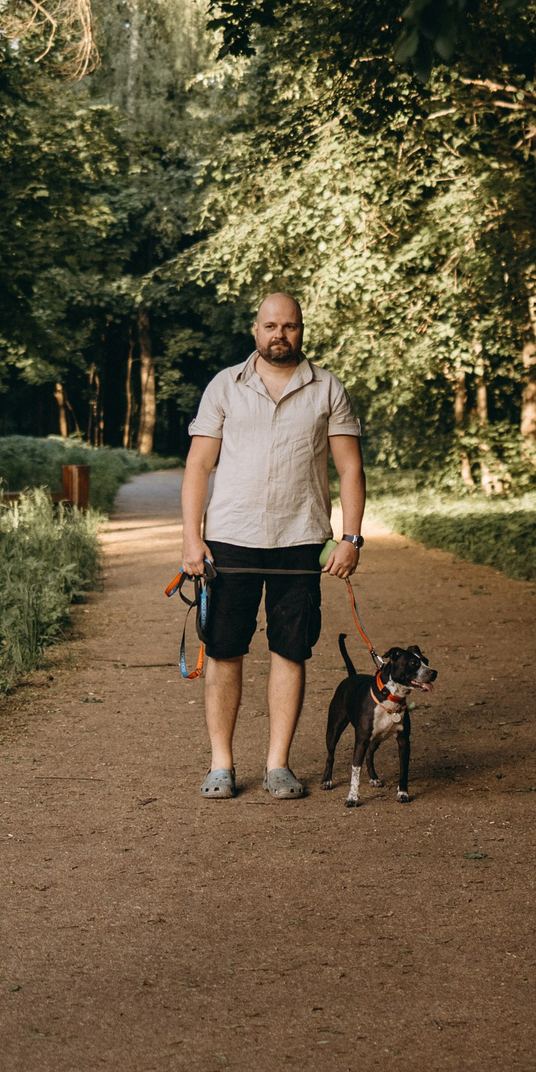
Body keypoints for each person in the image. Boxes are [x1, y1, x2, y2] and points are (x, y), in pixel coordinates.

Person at [179, 291, 366, 800]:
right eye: (270, 325)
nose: (279, 335)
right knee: (223, 652)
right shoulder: (224, 386)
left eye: (289, 326)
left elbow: (350, 468)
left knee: (291, 650)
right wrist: (191, 539)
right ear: (255, 330)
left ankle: (278, 765)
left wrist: (350, 537)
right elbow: (198, 466)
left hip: (301, 540)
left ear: (301, 330)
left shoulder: (328, 389)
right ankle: (221, 765)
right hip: (229, 542)